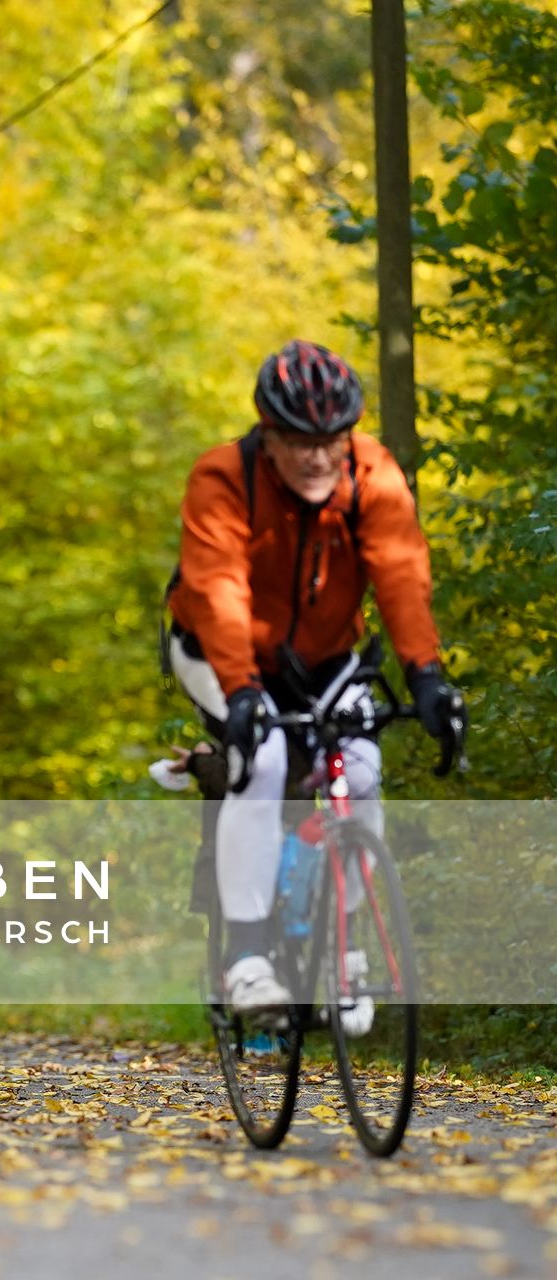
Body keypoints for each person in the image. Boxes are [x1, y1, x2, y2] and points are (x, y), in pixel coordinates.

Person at [166, 339, 463, 1023]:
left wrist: (427, 676)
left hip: (325, 658)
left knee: (359, 773)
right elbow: (218, 592)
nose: (319, 457)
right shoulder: (223, 478)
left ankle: (342, 944)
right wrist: (241, 693)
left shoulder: (372, 474)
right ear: (266, 435)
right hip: (217, 651)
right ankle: (245, 960)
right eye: (300, 440)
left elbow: (400, 574)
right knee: (262, 761)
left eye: (332, 439)